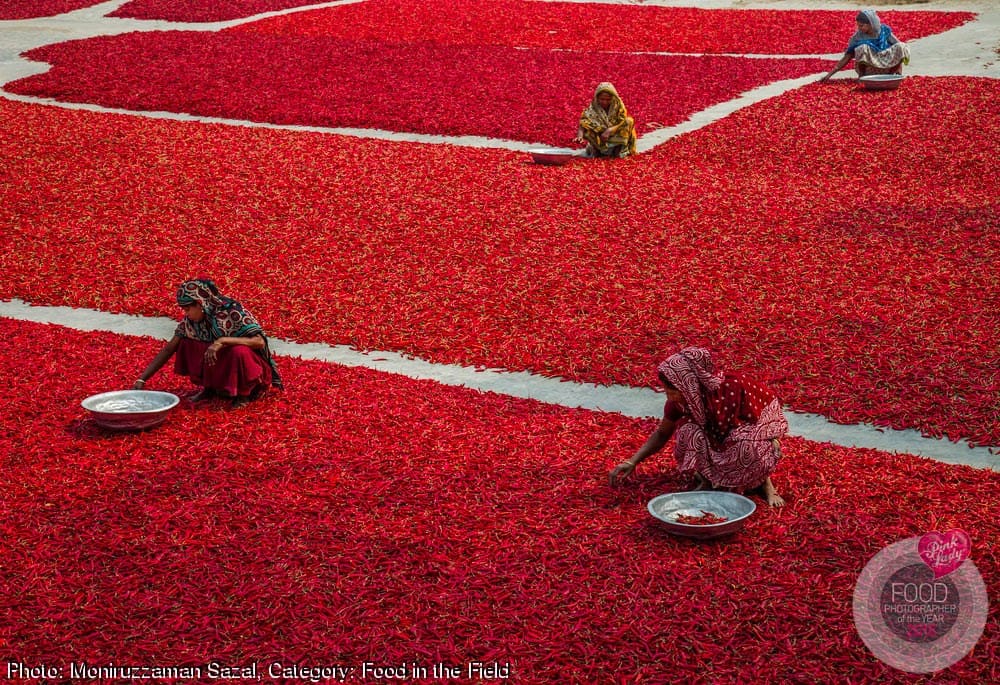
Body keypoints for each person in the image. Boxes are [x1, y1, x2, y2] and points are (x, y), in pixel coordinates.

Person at [609, 347, 788, 507]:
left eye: (673, 391)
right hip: (717, 443)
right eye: (667, 390)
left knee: (746, 444)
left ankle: (765, 483)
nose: (669, 397)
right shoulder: (679, 404)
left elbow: (766, 412)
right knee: (688, 432)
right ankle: (708, 480)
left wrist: (772, 437)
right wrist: (632, 461)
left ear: (690, 383)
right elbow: (662, 434)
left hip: (745, 439)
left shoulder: (732, 386)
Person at [133, 278, 282, 407]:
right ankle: (210, 388)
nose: (186, 314)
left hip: (255, 368)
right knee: (186, 343)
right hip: (223, 365)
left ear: (199, 304)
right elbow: (169, 349)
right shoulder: (191, 322)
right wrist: (142, 378)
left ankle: (244, 394)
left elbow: (259, 342)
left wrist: (223, 341)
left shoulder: (231, 311)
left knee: (238, 351)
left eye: (188, 309)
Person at [820, 9, 909, 82]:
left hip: (888, 67)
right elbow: (847, 56)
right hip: (869, 69)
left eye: (861, 26)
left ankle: (895, 74)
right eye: (858, 26)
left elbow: (898, 47)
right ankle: (862, 77)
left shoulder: (884, 31)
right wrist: (830, 74)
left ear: (871, 24)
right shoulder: (857, 36)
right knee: (862, 48)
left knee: (901, 46)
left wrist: (898, 67)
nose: (859, 28)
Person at [574, 82, 637, 158]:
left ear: (613, 98)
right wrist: (579, 136)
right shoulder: (593, 108)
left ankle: (617, 150)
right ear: (597, 98)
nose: (605, 102)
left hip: (615, 135)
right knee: (587, 129)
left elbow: (622, 121)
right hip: (600, 138)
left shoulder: (618, 106)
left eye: (608, 99)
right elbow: (583, 123)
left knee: (629, 121)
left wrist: (610, 130)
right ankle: (597, 150)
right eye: (602, 99)